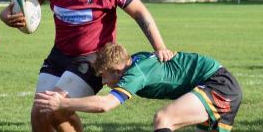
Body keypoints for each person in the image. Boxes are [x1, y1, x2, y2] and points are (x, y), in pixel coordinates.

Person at [0, 0, 174, 131]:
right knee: (39, 112)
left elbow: (140, 13)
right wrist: (6, 17)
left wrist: (160, 47)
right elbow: (24, 4)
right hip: (60, 54)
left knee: (56, 109)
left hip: (93, 58)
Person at [35, 43, 243, 132]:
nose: (104, 83)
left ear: (117, 70)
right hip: (215, 83)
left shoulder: (136, 73)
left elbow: (105, 105)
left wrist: (61, 102)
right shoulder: (133, 62)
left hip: (218, 85)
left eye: (104, 77)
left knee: (164, 119)